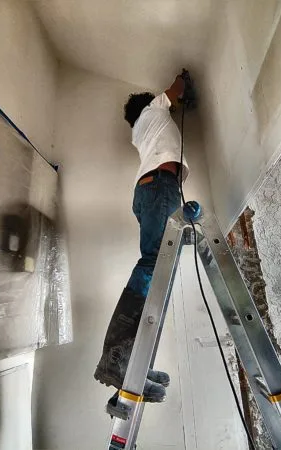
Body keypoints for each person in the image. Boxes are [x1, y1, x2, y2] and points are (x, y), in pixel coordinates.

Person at [94, 73, 189, 403]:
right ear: (147, 105)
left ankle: (135, 360)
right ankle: (118, 360)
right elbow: (177, 87)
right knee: (155, 265)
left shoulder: (143, 129)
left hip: (155, 190)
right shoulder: (153, 110)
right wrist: (184, 79)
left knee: (160, 271)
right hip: (160, 187)